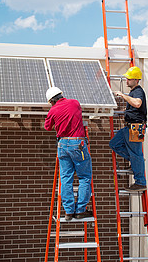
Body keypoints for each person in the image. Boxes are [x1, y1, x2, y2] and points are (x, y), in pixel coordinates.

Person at [44, 87, 93, 221]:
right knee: (84, 177)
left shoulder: (52, 110)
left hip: (62, 145)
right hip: (77, 144)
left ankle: (68, 211)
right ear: (61, 95)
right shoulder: (74, 103)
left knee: (65, 178)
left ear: (51, 101)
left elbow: (47, 127)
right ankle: (80, 210)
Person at [109, 66, 147, 192]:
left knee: (136, 153)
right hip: (129, 126)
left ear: (136, 80)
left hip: (137, 127)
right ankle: (136, 161)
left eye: (129, 79)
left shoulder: (138, 91)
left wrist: (122, 95)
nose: (126, 81)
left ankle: (140, 182)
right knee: (114, 144)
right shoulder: (133, 92)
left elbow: (137, 103)